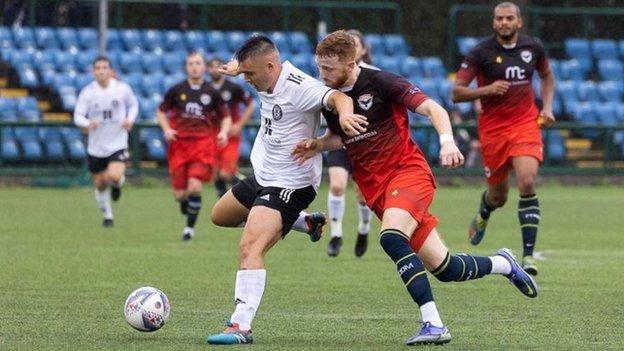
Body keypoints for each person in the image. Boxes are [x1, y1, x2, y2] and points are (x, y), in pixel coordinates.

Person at [293, 30, 539, 346]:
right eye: (319, 68)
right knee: (446, 267)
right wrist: (317, 144)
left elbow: (433, 108)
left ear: (351, 63)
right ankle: (505, 264)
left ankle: (433, 323)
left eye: (328, 69)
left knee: (392, 238)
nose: (321, 75)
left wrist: (447, 142)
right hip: (378, 191)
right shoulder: (330, 97)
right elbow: (343, 136)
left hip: (407, 174)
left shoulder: (382, 82)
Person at [204, 34, 366, 345]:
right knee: (219, 216)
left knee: (250, 247)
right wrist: (239, 68)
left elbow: (338, 99)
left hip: (291, 185)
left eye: (251, 74)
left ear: (270, 66)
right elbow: (251, 59)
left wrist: (345, 114)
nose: (247, 80)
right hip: (263, 175)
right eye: (245, 74)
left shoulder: (300, 87)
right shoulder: (264, 74)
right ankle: (305, 222)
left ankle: (241, 325)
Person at [451, 1, 555, 276]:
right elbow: (457, 92)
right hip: (493, 131)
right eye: (500, 18)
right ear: (494, 22)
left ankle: (529, 256)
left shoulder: (533, 47)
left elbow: (546, 76)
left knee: (527, 180)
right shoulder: (480, 52)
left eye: (509, 18)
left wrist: (546, 107)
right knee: (499, 197)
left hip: (525, 124)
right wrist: (486, 90)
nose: (504, 23)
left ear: (519, 22)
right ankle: (485, 211)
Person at [157, 52, 232, 241]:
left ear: (204, 67)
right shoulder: (176, 90)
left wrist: (223, 132)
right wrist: (167, 129)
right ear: (186, 67)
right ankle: (186, 205)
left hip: (202, 144)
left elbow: (226, 116)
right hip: (179, 145)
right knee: (180, 194)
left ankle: (189, 229)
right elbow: (160, 111)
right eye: (191, 63)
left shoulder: (211, 92)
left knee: (194, 186)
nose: (194, 67)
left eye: (198, 63)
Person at [324, 29, 376, 258]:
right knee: (336, 185)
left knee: (363, 196)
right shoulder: (333, 75)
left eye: (355, 44)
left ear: (363, 50)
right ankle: (335, 234)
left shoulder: (374, 76)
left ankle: (363, 229)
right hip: (340, 141)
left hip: (365, 144)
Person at [74, 56, 138, 228]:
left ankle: (117, 184)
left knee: (114, 176)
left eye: (105, 67)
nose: (102, 71)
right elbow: (77, 115)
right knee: (100, 183)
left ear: (110, 71)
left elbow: (133, 105)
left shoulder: (122, 89)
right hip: (96, 147)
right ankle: (108, 216)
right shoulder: (88, 92)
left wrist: (129, 119)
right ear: (93, 71)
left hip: (117, 142)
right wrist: (87, 123)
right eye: (98, 68)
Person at [206, 57, 257, 198]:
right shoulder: (205, 88)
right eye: (212, 66)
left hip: (230, 135)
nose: (215, 69)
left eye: (218, 66)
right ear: (208, 69)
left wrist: (239, 124)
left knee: (226, 173)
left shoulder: (232, 88)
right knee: (215, 172)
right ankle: (225, 206)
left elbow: (251, 105)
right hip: (212, 134)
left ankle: (251, 187)